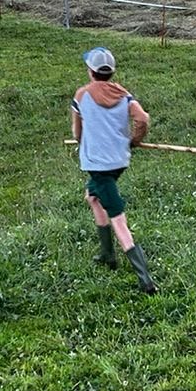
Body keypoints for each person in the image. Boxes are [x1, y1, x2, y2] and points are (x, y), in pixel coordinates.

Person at [71, 47, 155, 293]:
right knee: (92, 197)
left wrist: (84, 140)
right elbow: (142, 119)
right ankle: (107, 254)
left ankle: (145, 279)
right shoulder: (124, 94)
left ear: (91, 71)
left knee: (118, 218)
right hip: (119, 162)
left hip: (97, 166)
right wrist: (134, 141)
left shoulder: (82, 95)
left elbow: (77, 132)